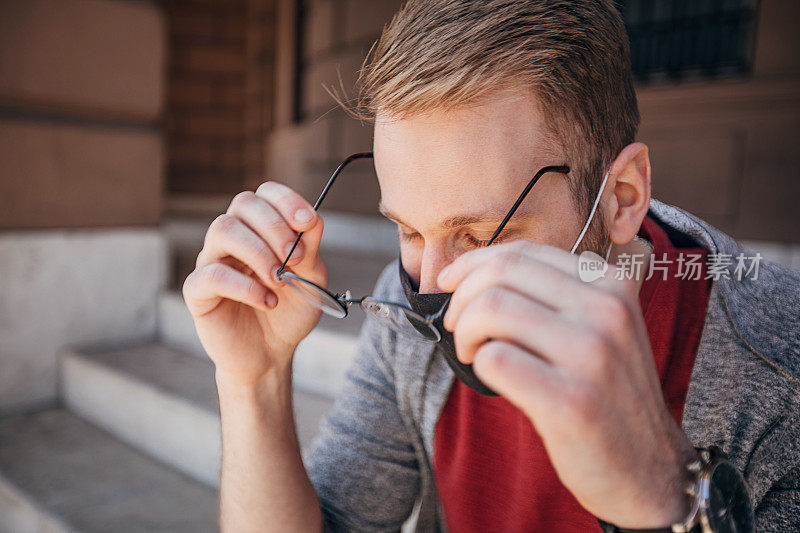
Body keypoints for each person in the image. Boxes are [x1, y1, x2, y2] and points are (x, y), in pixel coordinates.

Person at [182, 1, 800, 531]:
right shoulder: (403, 319)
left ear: (622, 200)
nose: (428, 288)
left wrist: (665, 492)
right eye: (408, 229)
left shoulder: (778, 363)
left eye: (477, 235)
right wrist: (253, 383)